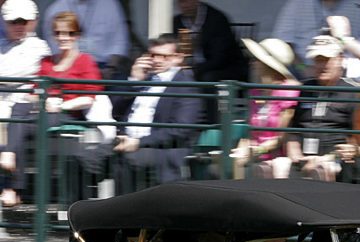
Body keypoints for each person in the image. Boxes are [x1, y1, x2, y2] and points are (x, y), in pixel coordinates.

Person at [1, 10, 102, 207]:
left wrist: (61, 104)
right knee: (19, 110)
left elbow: (89, 97)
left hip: (69, 114)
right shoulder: (47, 61)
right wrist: (43, 100)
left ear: (77, 35)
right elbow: (34, 91)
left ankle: (12, 183)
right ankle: (11, 169)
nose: (63, 38)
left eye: (69, 33)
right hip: (41, 113)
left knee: (16, 124)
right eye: (59, 33)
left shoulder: (85, 61)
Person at [109, 33, 202, 190]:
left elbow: (180, 129)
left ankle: (124, 211)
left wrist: (139, 142)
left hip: (159, 148)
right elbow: (115, 110)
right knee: (88, 155)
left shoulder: (186, 86)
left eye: (164, 56)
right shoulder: (143, 79)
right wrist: (134, 81)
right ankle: (77, 211)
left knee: (131, 159)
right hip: (126, 141)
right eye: (153, 55)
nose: (157, 61)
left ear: (178, 57)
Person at [286, 34, 355, 182]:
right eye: (318, 60)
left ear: (340, 60)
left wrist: (329, 157)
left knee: (323, 169)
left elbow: (356, 138)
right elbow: (293, 130)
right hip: (302, 157)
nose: (321, 65)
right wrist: (296, 156)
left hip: (334, 158)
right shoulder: (305, 88)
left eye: (326, 60)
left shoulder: (353, 92)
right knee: (275, 166)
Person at [231, 38, 299, 180]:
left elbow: (282, 137)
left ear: (268, 65)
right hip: (254, 154)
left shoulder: (288, 91)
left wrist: (257, 150)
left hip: (276, 157)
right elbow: (249, 134)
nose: (252, 63)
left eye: (256, 59)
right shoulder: (255, 92)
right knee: (229, 162)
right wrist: (241, 149)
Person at [0, 0, 50, 147]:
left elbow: (14, 73)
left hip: (23, 102)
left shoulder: (39, 46)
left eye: (23, 21)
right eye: (14, 22)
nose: (19, 26)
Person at [40, 0, 128, 78]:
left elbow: (119, 43)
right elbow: (54, 47)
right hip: (69, 65)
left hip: (106, 66)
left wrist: (110, 69)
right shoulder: (56, 8)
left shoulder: (110, 5)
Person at [272, 0, 360, 73]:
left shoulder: (358, 6)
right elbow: (284, 44)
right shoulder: (298, 4)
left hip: (348, 71)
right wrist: (303, 68)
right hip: (303, 71)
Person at [173, 0, 248, 83]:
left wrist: (193, 70)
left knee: (207, 78)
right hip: (192, 68)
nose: (185, 5)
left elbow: (220, 58)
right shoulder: (177, 21)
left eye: (188, 1)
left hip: (225, 68)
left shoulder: (216, 19)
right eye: (181, 1)